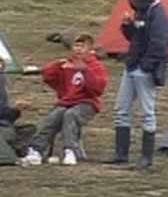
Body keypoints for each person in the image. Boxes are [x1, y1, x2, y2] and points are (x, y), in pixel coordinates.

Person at [106, 0, 168, 170]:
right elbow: (136, 38)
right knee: (121, 109)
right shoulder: (139, 13)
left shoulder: (156, 12)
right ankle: (121, 153)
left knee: (147, 113)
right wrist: (128, 26)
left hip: (144, 70)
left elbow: (160, 43)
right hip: (132, 66)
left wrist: (146, 65)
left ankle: (146, 157)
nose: (129, 0)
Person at [21, 33, 108, 166]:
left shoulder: (96, 66)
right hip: (67, 102)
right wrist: (57, 65)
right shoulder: (67, 64)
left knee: (71, 116)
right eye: (76, 46)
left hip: (87, 102)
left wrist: (85, 71)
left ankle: (70, 150)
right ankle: (36, 150)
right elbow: (48, 77)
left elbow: (97, 89)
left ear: (90, 48)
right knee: (53, 118)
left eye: (82, 46)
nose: (78, 49)